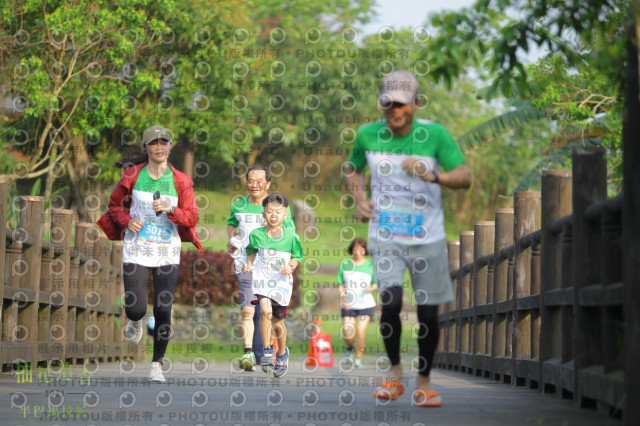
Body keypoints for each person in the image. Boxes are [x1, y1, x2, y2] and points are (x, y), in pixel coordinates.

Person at [345, 71, 472, 406]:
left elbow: (465, 177)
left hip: (427, 238)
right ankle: (395, 373)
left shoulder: (435, 134)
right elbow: (352, 167)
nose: (393, 111)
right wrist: (359, 200)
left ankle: (424, 382)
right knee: (392, 303)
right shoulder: (367, 135)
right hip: (386, 235)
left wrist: (433, 175)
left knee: (428, 315)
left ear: (415, 104)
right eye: (387, 104)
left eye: (400, 104)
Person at [98, 125, 202, 383]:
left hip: (167, 250)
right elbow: (114, 205)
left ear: (170, 146)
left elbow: (192, 217)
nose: (159, 146)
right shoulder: (132, 176)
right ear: (145, 148)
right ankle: (134, 321)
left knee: (164, 309)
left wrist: (171, 210)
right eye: (153, 142)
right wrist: (126, 220)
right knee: (135, 308)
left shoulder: (180, 181)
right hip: (137, 248)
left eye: (163, 142)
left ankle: (157, 364)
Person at [227, 166, 296, 372]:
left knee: (270, 315)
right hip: (246, 265)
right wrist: (230, 238)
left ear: (268, 184)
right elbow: (231, 223)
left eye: (259, 181)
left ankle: (268, 351)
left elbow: (290, 236)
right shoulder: (238, 204)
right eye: (250, 180)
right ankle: (249, 352)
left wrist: (289, 264)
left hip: (273, 271)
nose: (254, 184)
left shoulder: (279, 207)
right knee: (249, 310)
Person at [241, 193, 302, 378]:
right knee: (265, 311)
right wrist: (248, 263)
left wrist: (291, 267)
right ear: (264, 213)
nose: (273, 215)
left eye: (278, 211)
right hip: (262, 280)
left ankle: (282, 353)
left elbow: (297, 257)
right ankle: (267, 350)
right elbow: (250, 251)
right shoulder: (256, 234)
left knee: (278, 323)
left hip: (282, 284)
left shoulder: (292, 237)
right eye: (269, 211)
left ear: (285, 215)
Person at [337, 237, 377, 368]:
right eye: (355, 249)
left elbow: (376, 284)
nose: (358, 251)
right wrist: (343, 298)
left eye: (361, 249)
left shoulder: (370, 265)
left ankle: (358, 358)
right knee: (348, 332)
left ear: (365, 251)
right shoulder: (345, 263)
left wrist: (371, 288)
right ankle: (349, 348)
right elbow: (340, 284)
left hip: (365, 304)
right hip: (348, 304)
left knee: (360, 332)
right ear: (352, 249)